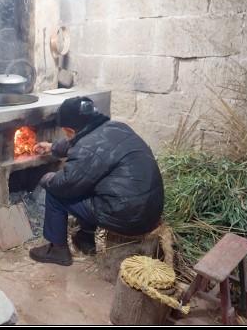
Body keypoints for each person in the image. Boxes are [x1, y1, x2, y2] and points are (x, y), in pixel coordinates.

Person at [29, 96, 164, 266]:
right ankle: (86, 239)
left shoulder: (86, 148)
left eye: (66, 132)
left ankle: (58, 250)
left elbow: (64, 184)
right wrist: (52, 147)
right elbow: (83, 143)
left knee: (56, 194)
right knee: (91, 184)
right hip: (151, 209)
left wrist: (46, 178)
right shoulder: (116, 127)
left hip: (129, 216)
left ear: (69, 130)